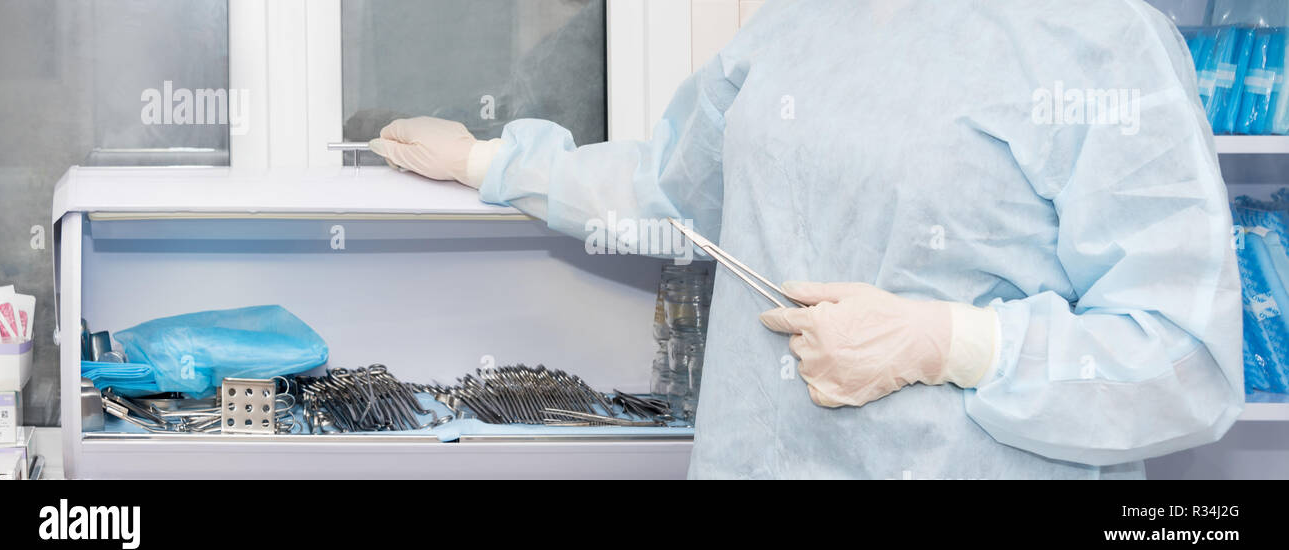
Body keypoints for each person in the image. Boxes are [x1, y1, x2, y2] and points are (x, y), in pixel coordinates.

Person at [368, 0, 1243, 479]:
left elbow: (1186, 360)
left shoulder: (1097, 38)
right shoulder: (795, 26)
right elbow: (673, 188)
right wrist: (488, 159)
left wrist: (950, 343)